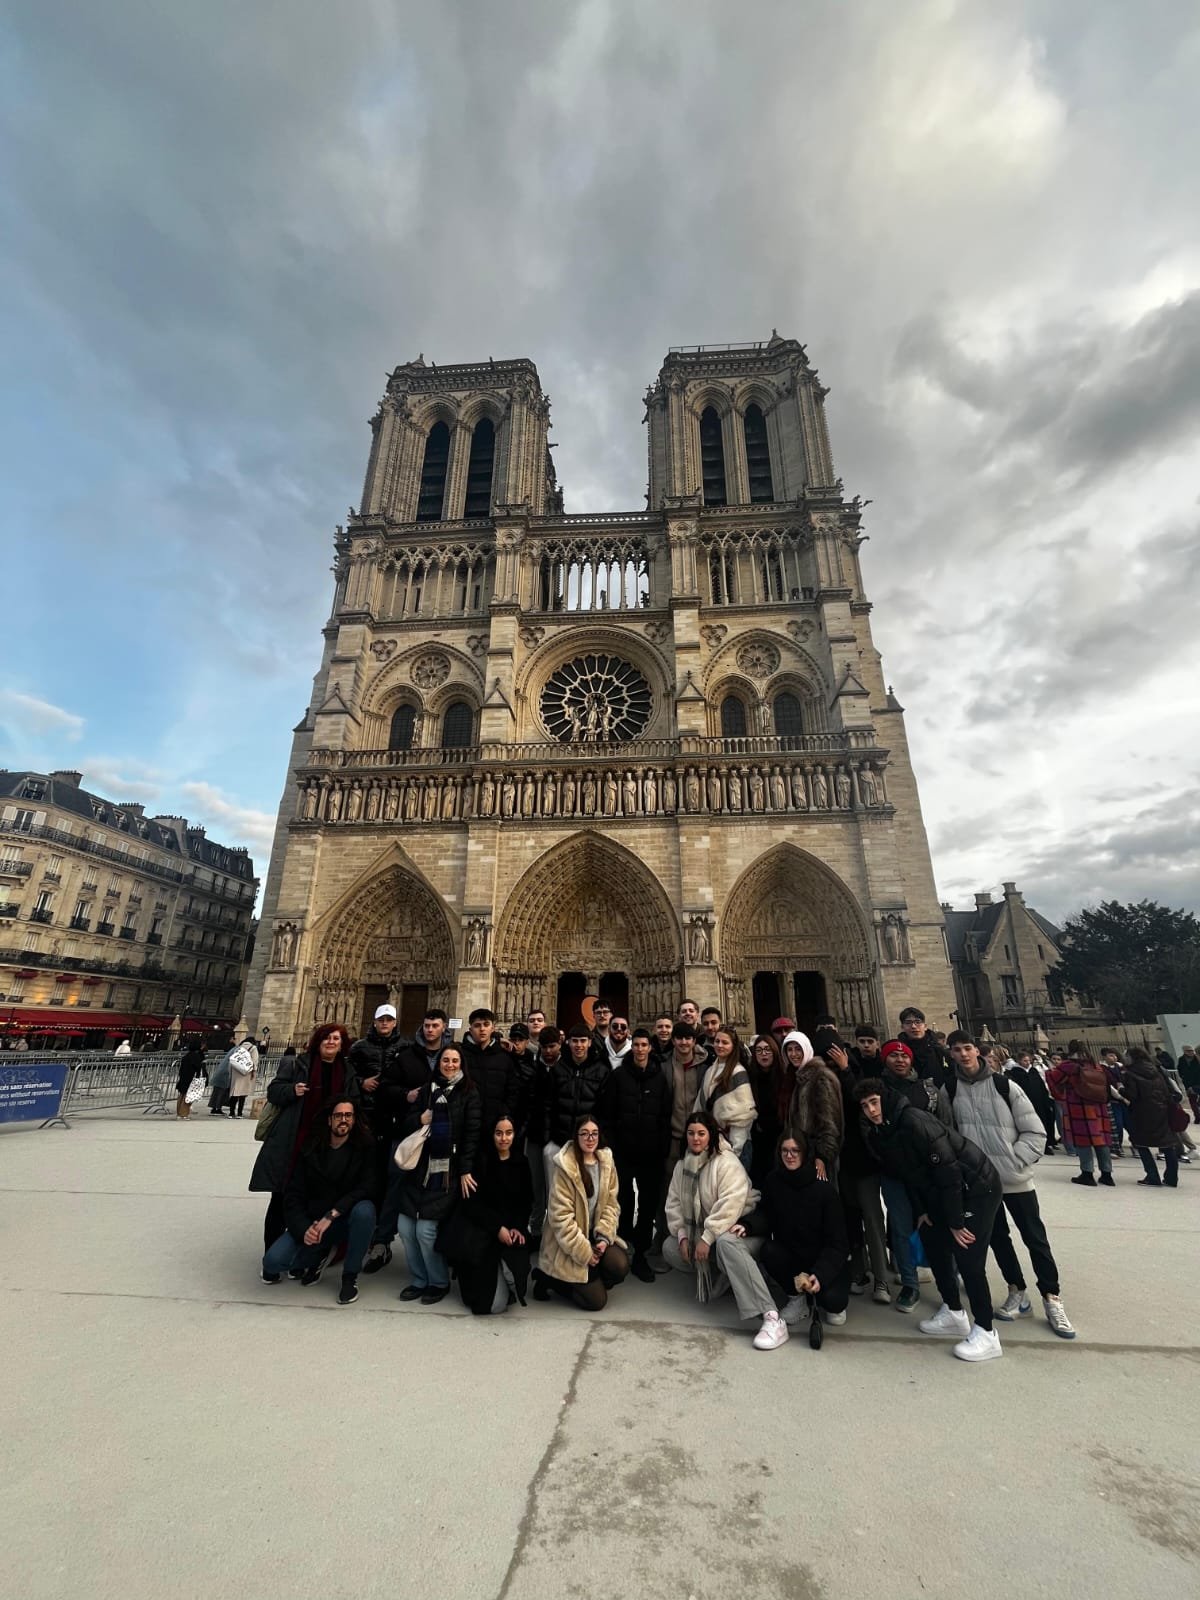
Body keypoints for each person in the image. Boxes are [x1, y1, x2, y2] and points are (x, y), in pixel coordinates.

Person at [855, 1077, 1004, 1363]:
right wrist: (923, 1211)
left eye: (874, 1102)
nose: (871, 1110)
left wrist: (956, 1222)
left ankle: (986, 1330)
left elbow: (949, 1170)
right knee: (932, 1241)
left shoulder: (913, 1120)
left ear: (884, 1098)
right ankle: (954, 1312)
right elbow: (910, 1175)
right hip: (941, 1193)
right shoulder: (881, 1132)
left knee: (968, 1255)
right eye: (864, 1106)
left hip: (975, 1188)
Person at [946, 1033, 1075, 1339]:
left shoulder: (1006, 1086)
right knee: (998, 1240)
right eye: (957, 1050)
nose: (964, 1054)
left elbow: (1035, 1131)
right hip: (980, 1185)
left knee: (1035, 1238)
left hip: (1015, 1180)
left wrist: (1015, 1161)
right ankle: (1017, 1290)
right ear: (950, 1054)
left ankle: (1052, 1297)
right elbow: (949, 1136)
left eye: (968, 1048)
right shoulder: (948, 1089)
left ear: (978, 1051)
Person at [663, 1112, 784, 1350]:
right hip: (710, 1237)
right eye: (691, 1133)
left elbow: (731, 1205)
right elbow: (674, 1204)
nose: (696, 1139)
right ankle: (728, 1278)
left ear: (712, 1135)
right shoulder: (682, 1166)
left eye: (701, 1133)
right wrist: (684, 1236)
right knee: (670, 1248)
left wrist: (707, 1237)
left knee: (726, 1243)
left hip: (743, 1232)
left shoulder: (726, 1162)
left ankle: (771, 1317)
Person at [249, 1022, 360, 1249]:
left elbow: (354, 1102)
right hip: (295, 1140)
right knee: (282, 1197)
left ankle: (306, 1248)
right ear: (317, 1041)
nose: (330, 1042)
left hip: (325, 1143)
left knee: (315, 1197)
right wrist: (292, 1090)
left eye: (336, 1039)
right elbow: (273, 1091)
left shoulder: (347, 1071)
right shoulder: (297, 1064)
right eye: (326, 1038)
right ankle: (273, 1252)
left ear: (342, 1044)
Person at [260, 1098, 377, 1306]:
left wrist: (333, 1214)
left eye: (348, 1115)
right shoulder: (311, 1148)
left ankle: (350, 1277)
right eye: (338, 1115)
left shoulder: (365, 1148)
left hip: (343, 1219)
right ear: (329, 1120)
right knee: (273, 1262)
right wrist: (304, 1229)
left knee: (365, 1211)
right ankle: (319, 1254)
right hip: (313, 1222)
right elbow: (293, 1195)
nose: (343, 1120)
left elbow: (367, 1188)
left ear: (354, 1119)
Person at [388, 1043, 481, 1304]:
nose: (450, 1065)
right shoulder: (425, 1091)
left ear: (461, 1064)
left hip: (446, 1170)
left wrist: (465, 1169)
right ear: (438, 1063)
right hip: (419, 1166)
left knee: (426, 1230)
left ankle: (438, 1281)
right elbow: (405, 1123)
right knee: (405, 1227)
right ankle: (419, 1279)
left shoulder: (469, 1093)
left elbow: (472, 1134)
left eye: (454, 1061)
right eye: (445, 1060)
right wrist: (421, 1119)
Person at [751, 1131, 851, 1343]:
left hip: (824, 1259)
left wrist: (820, 1274)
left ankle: (821, 1295)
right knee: (769, 1250)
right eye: (785, 1151)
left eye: (795, 1151)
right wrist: (746, 1225)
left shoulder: (824, 1190)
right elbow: (765, 1215)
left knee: (833, 1303)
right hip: (794, 1256)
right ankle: (797, 1299)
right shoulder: (773, 1181)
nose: (790, 1156)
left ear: (805, 1153)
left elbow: (838, 1244)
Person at [598, 1026, 673, 1281]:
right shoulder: (619, 1076)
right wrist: (612, 1146)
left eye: (644, 1045)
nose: (640, 1049)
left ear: (649, 1047)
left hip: (651, 1153)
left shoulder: (659, 1077)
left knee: (648, 1204)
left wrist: (662, 1147)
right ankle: (622, 1247)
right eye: (637, 1045)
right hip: (623, 1151)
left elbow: (665, 1115)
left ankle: (640, 1254)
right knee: (623, 1201)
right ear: (633, 1047)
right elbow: (608, 1114)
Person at [533, 1116, 629, 1310]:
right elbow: (561, 1220)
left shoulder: (606, 1162)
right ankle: (551, 1280)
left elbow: (611, 1205)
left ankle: (590, 1277)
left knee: (620, 1266)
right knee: (597, 1302)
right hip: (567, 1243)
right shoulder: (565, 1166)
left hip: (594, 1235)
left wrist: (603, 1238)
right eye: (584, 1134)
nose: (590, 1139)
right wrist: (585, 1253)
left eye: (594, 1134)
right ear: (576, 1137)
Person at [442, 1115, 532, 1314]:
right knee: (487, 1305)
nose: (504, 1138)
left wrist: (517, 1227)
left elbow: (525, 1202)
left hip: (510, 1232)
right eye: (499, 1133)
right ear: (492, 1135)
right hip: (482, 1232)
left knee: (506, 1291)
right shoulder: (480, 1162)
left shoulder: (521, 1162)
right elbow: (471, 1204)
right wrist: (497, 1228)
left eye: (509, 1133)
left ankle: (505, 1277)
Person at [824, 1037, 890, 1305]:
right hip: (840, 1165)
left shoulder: (856, 1081)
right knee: (849, 1221)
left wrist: (846, 1070)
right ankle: (858, 1271)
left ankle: (881, 1277)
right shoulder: (824, 1085)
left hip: (862, 1164)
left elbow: (859, 1100)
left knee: (872, 1221)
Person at [1048, 1042, 1116, 1186]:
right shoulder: (1097, 1066)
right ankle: (1107, 1174)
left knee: (1082, 1140)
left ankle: (1087, 1173)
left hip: (1078, 1104)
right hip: (1098, 1105)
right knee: (1101, 1140)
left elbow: (1054, 1080)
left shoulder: (1069, 1066)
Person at [783, 1031, 843, 1182]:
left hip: (817, 1157)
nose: (793, 1054)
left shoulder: (821, 1077)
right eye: (789, 1049)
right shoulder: (797, 1076)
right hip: (800, 1154)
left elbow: (829, 1122)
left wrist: (822, 1156)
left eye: (798, 1049)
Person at [1119, 1046, 1182, 1187]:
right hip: (1161, 1110)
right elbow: (1168, 1089)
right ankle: (1172, 1177)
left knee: (1141, 1144)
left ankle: (1152, 1176)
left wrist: (1121, 1089)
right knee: (1167, 1144)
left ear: (1132, 1057)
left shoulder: (1130, 1073)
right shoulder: (1156, 1069)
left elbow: (1132, 1095)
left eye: (1126, 1056)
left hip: (1142, 1113)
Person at [694, 1027, 757, 1164]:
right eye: (717, 1041)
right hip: (711, 1142)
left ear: (733, 1046)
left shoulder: (738, 1072)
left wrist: (734, 1150)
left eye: (725, 1042)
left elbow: (742, 1117)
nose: (719, 1045)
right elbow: (701, 1103)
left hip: (733, 1144)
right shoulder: (710, 1070)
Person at [349, 1003, 402, 1142]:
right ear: (374, 1022)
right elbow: (347, 1074)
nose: (384, 1023)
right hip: (366, 1107)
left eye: (389, 1020)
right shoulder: (359, 1047)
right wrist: (362, 1082)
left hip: (393, 1107)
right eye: (381, 1020)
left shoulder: (405, 1046)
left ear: (395, 1023)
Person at [746, 1032, 792, 1188]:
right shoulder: (750, 1077)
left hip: (781, 1136)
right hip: (758, 1139)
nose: (763, 1054)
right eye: (759, 1050)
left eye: (767, 1049)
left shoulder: (785, 1077)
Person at [461, 1008, 511, 1136]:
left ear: (493, 1028)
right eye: (477, 1025)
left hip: (496, 1123)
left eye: (486, 1024)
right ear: (470, 1029)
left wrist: (504, 1114)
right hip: (466, 1122)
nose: (482, 1029)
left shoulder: (504, 1056)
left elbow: (512, 1090)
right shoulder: (460, 1055)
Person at [1005, 1047, 1058, 1154]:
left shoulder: (1033, 1071)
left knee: (1043, 1122)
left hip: (1039, 1102)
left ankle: (1046, 1144)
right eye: (1025, 1061)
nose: (1027, 1063)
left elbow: (1041, 1085)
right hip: (1026, 1102)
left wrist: (1046, 1098)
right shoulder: (1015, 1073)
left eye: (1029, 1060)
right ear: (1019, 1061)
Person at [897, 1006, 952, 1089]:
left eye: (917, 1022)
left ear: (925, 1026)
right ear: (902, 1027)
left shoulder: (939, 1051)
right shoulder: (899, 1053)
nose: (913, 1026)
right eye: (908, 1023)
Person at [226, 1035, 259, 1119]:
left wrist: (231, 1073)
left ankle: (231, 1112)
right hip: (246, 1072)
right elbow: (254, 1061)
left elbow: (232, 1060)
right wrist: (254, 1072)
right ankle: (239, 1113)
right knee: (243, 1094)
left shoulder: (238, 1048)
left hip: (236, 1072)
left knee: (234, 1093)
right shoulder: (253, 1048)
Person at [175, 1043, 207, 1119]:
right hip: (191, 1079)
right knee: (188, 1097)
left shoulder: (186, 1056)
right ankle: (184, 1114)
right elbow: (198, 1067)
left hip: (183, 1078)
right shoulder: (196, 1057)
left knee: (182, 1096)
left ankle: (179, 1113)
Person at [208, 1043, 233, 1116]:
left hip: (220, 1074)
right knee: (221, 1093)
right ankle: (218, 1108)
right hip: (225, 1074)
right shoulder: (237, 1051)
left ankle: (214, 1108)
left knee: (217, 1092)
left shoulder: (232, 1050)